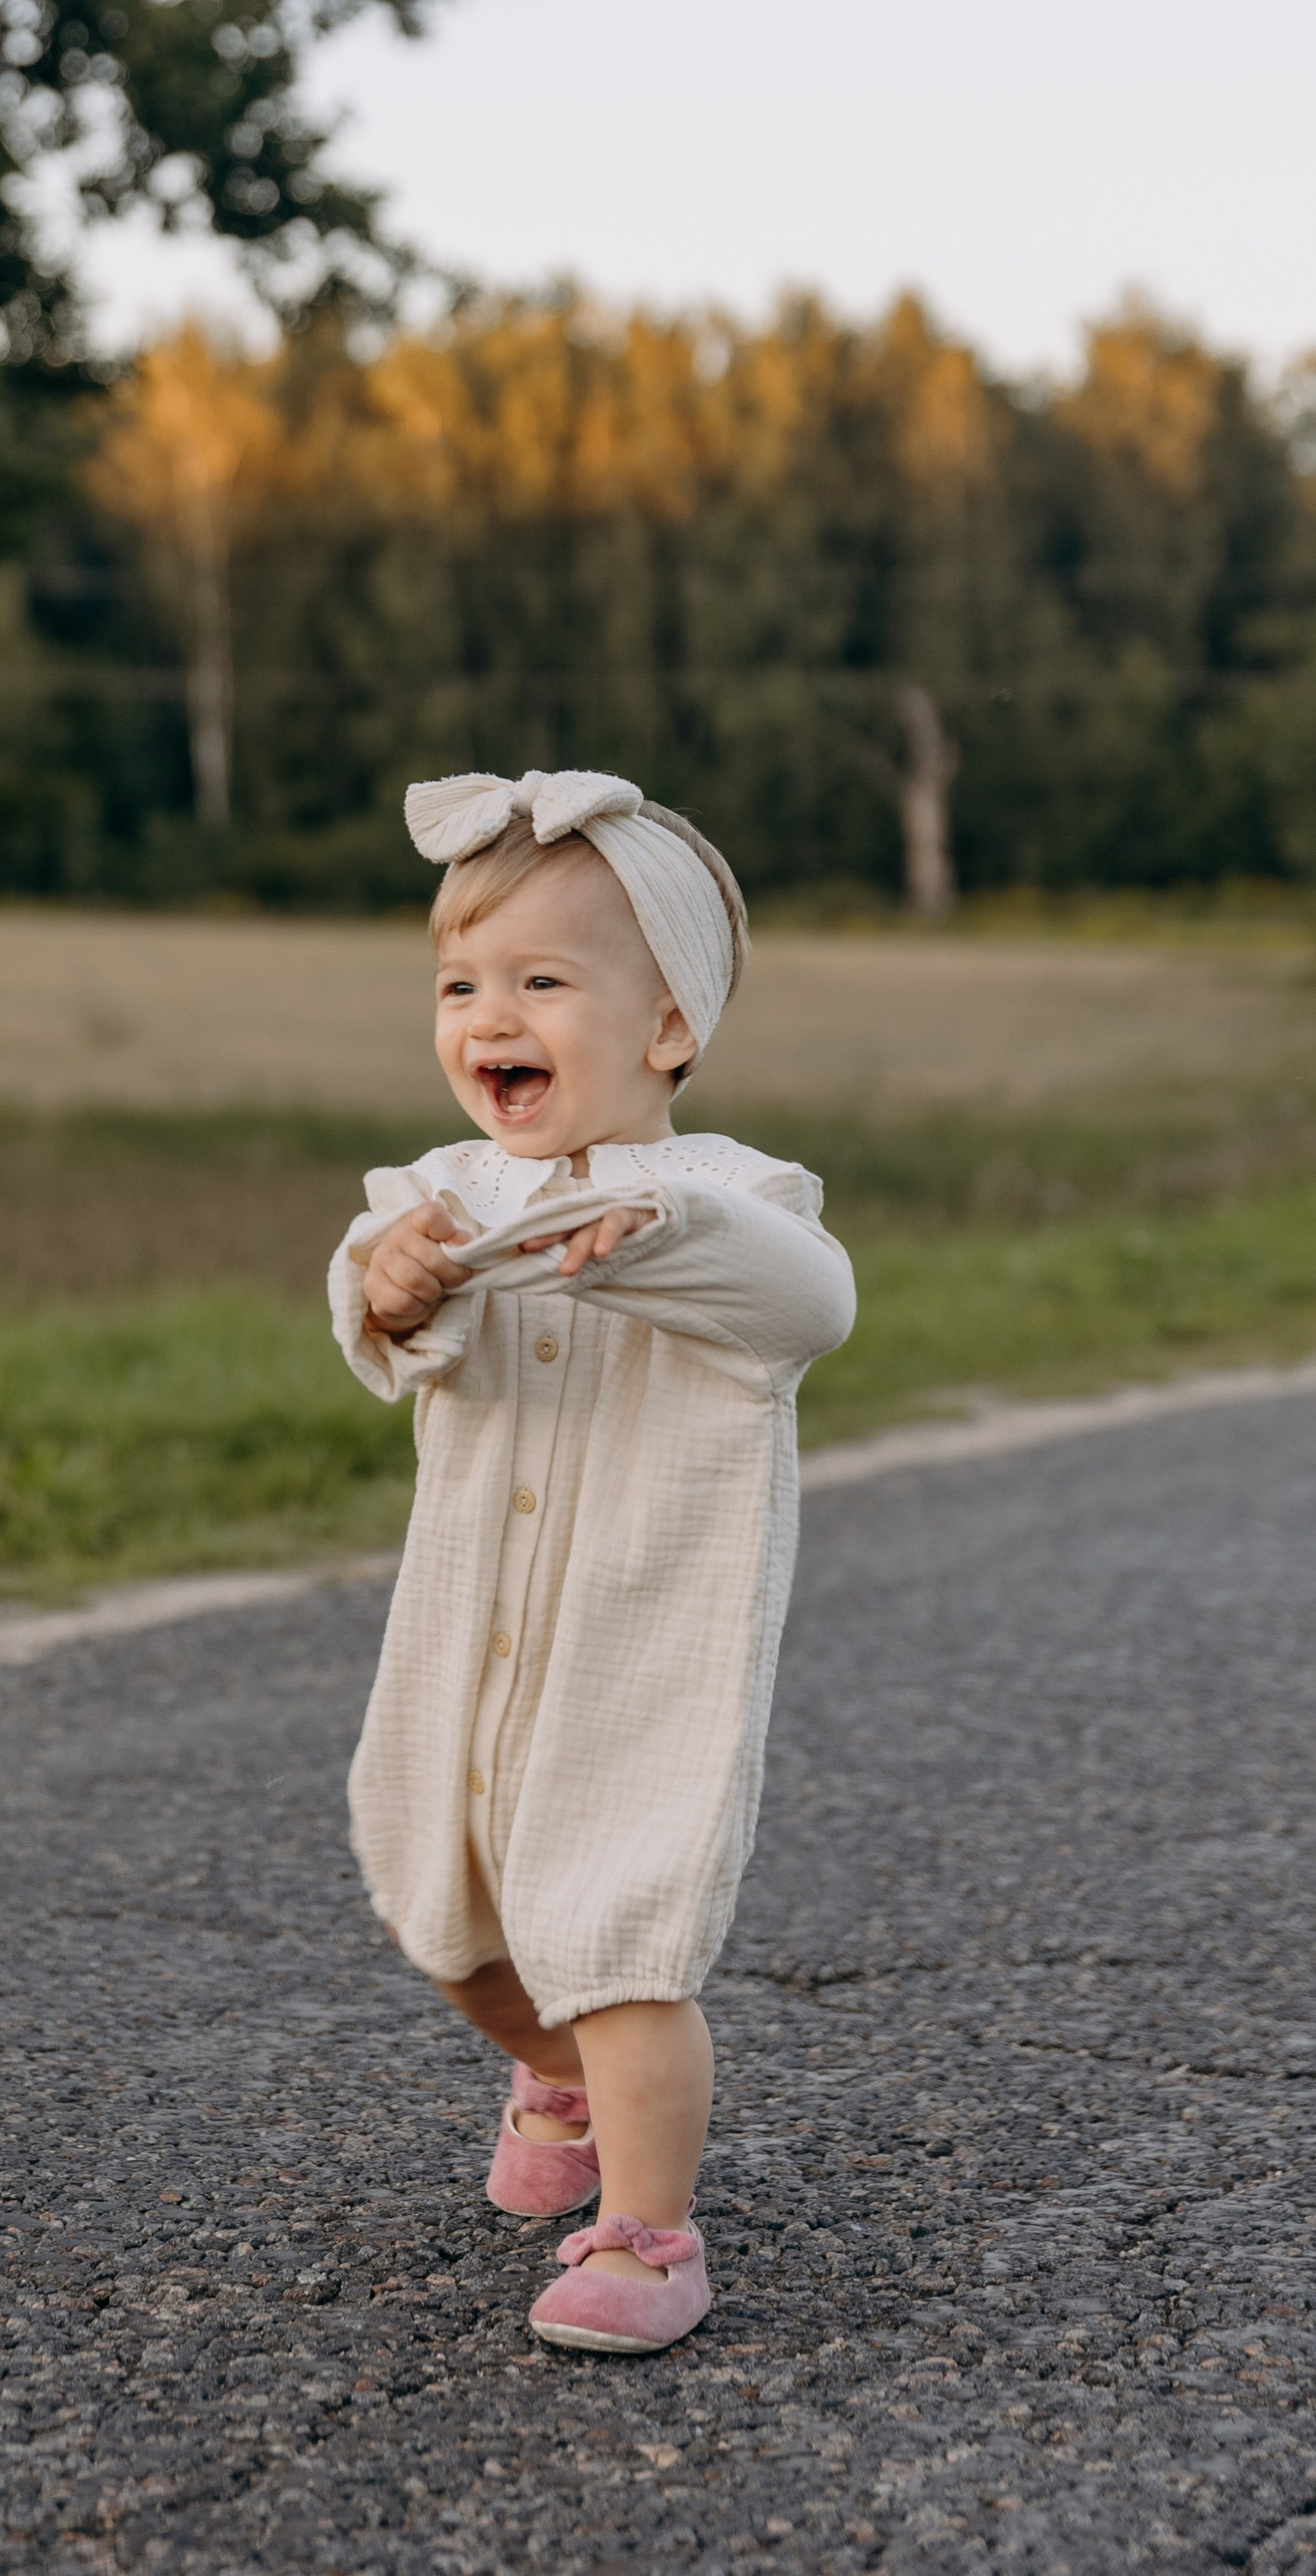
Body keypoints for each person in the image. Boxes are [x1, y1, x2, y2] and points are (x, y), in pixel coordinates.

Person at [331, 768, 856, 2354]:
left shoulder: (725, 1201)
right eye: (464, 984)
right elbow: (373, 1308)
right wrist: (395, 1281)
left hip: (642, 1642)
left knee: (619, 1934)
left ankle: (647, 2230)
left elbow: (809, 1304)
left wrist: (662, 1236)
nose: (494, 1014)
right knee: (449, 1917)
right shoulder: (444, 1192)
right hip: (465, 1639)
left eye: (544, 981)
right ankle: (546, 2069)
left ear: (668, 1028)